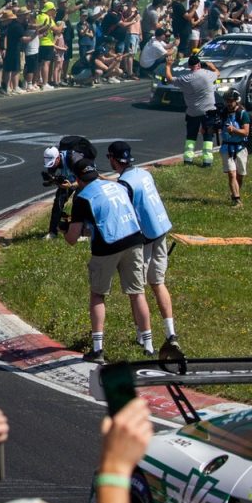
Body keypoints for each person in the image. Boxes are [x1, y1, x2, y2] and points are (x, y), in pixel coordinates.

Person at [64, 160, 149, 362]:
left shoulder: (82, 198)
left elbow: (72, 239)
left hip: (107, 246)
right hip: (134, 238)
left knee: (98, 295)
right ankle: (149, 344)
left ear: (77, 179)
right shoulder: (117, 185)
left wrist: (63, 229)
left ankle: (98, 349)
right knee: (137, 293)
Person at [107, 142, 179, 349]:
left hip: (145, 236)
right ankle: (170, 332)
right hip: (161, 228)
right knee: (158, 282)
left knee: (136, 290)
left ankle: (142, 336)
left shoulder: (124, 185)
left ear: (113, 158)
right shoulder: (143, 174)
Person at [162, 53, 219, 167]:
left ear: (189, 66)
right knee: (208, 136)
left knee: (191, 136)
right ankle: (207, 161)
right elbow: (217, 73)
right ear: (199, 64)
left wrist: (168, 66)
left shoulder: (186, 79)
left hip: (193, 112)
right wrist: (211, 66)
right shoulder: (208, 74)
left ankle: (188, 159)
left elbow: (169, 79)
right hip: (209, 110)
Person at [219, 91, 252, 208]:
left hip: (240, 148)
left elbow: (246, 132)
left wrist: (233, 130)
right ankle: (237, 200)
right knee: (232, 174)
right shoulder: (223, 113)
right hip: (226, 148)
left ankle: (235, 194)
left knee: (240, 175)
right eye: (226, 101)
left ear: (236, 101)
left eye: (230, 101)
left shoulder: (243, 114)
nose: (228, 103)